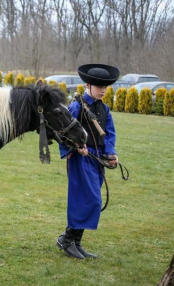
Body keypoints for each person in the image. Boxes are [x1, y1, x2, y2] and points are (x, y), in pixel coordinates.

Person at [56, 64, 120, 259]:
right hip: (80, 158)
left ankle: (74, 242)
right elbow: (61, 131)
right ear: (87, 85)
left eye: (105, 87)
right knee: (87, 199)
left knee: (90, 200)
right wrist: (75, 147)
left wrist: (110, 153)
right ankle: (67, 241)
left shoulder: (104, 108)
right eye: (99, 86)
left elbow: (109, 133)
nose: (103, 90)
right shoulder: (76, 106)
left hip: (96, 158)